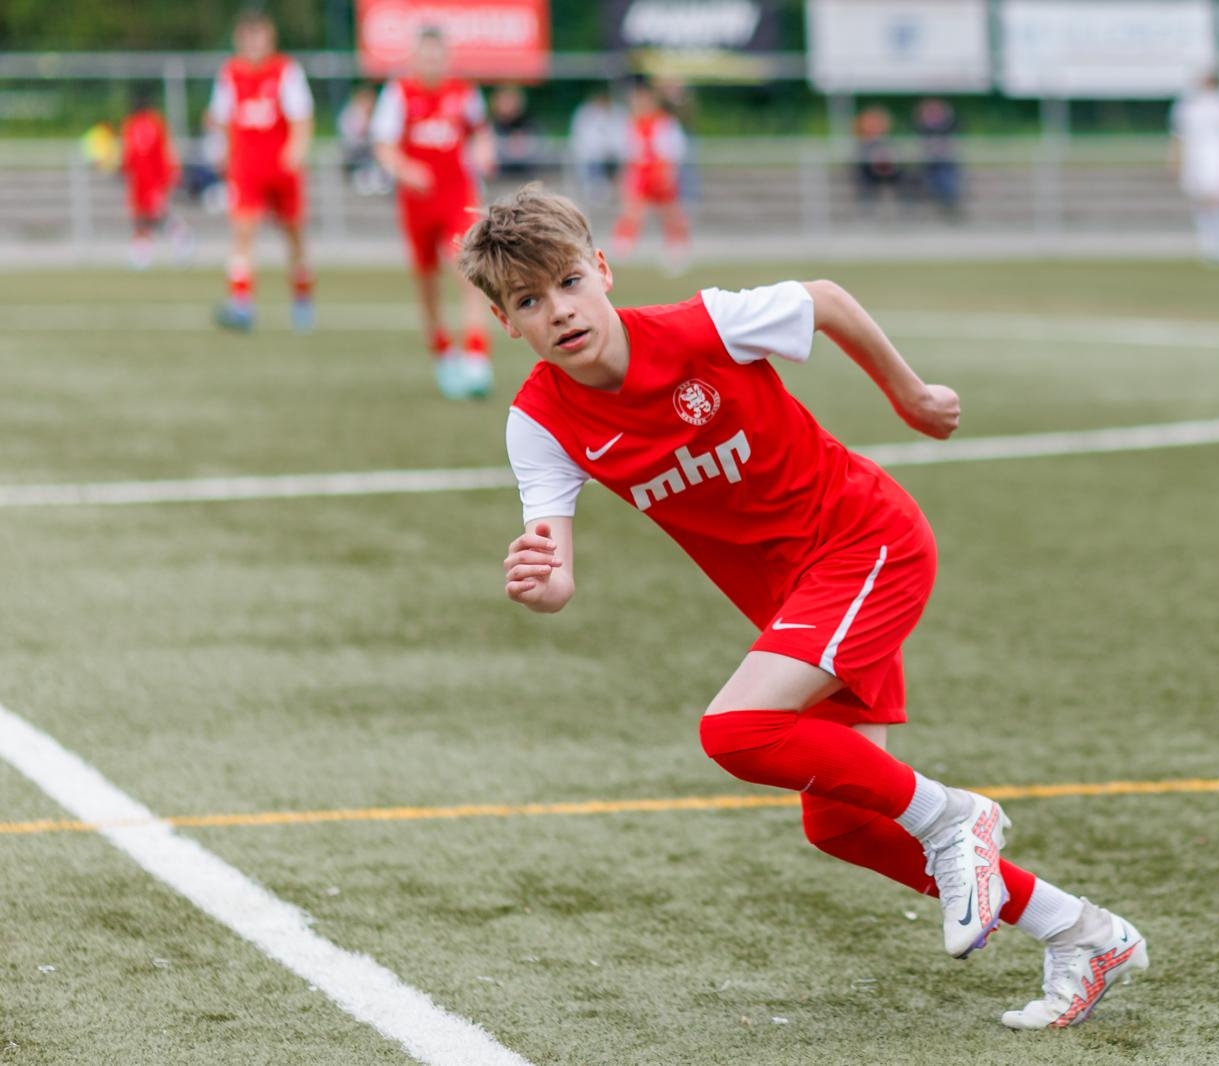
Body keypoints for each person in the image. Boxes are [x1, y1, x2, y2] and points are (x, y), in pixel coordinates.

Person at [458, 184, 1150, 1030]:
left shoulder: (704, 325)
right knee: (841, 827)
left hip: (867, 543)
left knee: (735, 730)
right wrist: (541, 583)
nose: (559, 310)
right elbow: (556, 574)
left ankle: (954, 819)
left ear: (602, 270)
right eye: (530, 300)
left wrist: (908, 395)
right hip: (802, 602)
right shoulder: (539, 422)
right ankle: (1081, 933)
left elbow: (824, 301)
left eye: (568, 282)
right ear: (506, 321)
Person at [371, 26, 497, 400]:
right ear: (414, 58)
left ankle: (477, 357)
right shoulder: (398, 94)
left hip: (458, 197)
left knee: (468, 270)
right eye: (425, 56)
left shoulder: (463, 92)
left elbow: (481, 132)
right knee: (427, 283)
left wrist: (484, 152)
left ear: (446, 58)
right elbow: (383, 147)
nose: (432, 63)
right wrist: (406, 169)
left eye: (437, 56)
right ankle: (443, 352)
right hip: (417, 205)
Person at [207, 9, 315, 332]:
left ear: (270, 37)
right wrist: (222, 151)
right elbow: (220, 119)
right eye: (248, 36)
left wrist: (296, 149)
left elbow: (302, 119)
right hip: (247, 168)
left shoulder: (286, 70)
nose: (254, 42)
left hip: (281, 167)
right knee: (242, 233)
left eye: (260, 35)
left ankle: (302, 296)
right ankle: (241, 304)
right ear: (239, 38)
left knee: (294, 235)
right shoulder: (230, 73)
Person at [612, 80, 691, 273]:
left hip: (660, 172)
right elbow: (629, 154)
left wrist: (667, 174)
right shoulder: (631, 124)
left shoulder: (664, 122)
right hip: (641, 173)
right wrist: (625, 175)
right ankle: (622, 251)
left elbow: (673, 150)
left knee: (670, 214)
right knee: (632, 212)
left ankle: (677, 251)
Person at [1170, 73, 1219, 267]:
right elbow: (1178, 135)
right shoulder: (1188, 105)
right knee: (1203, 200)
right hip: (1196, 155)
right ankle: (1208, 244)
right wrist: (1176, 159)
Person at [119, 89, 192, 270]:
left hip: (154, 179)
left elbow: (165, 149)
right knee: (142, 217)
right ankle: (143, 253)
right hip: (141, 179)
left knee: (156, 215)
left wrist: (172, 172)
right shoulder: (135, 123)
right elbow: (129, 154)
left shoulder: (151, 122)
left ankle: (181, 238)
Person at [568, 87, 626, 207]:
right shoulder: (586, 114)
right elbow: (584, 138)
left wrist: (611, 149)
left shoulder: (617, 113)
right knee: (594, 165)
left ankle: (614, 189)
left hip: (613, 153)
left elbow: (621, 136)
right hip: (592, 155)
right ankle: (598, 192)